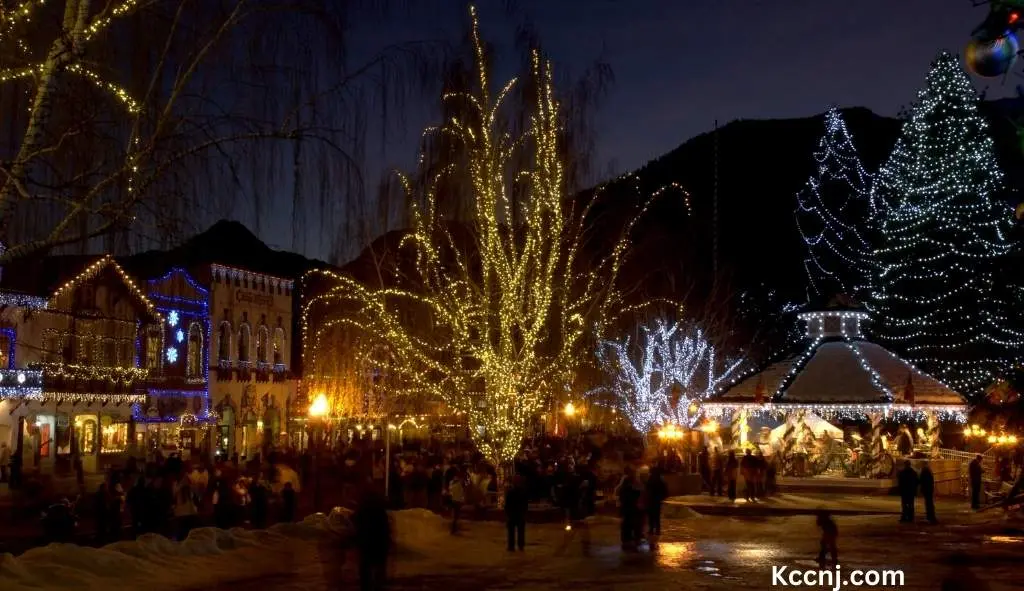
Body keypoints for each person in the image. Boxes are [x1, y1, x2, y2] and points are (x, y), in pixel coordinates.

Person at [353, 485, 391, 591]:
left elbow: (357, 523)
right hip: (380, 543)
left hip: (367, 543)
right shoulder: (380, 509)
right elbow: (385, 526)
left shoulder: (362, 508)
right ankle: (379, 586)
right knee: (379, 569)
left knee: (365, 570)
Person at [615, 466, 640, 549]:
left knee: (626, 524)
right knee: (629, 524)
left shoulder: (624, 488)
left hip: (625, 508)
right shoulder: (630, 488)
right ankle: (628, 539)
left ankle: (626, 539)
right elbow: (635, 496)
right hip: (630, 508)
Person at [504, 474, 528, 552]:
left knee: (514, 531)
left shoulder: (512, 492)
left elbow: (507, 504)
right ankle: (518, 546)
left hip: (515, 513)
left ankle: (514, 546)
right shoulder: (521, 491)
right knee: (517, 531)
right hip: (517, 513)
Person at [646, 467, 668, 536]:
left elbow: (647, 489)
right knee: (657, 516)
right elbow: (665, 490)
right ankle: (657, 530)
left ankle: (651, 529)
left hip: (651, 499)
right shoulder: (660, 480)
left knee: (651, 516)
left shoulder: (650, 479)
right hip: (657, 500)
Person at [448, 468, 466, 534]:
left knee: (454, 515)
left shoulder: (452, 483)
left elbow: (451, 491)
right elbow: (461, 492)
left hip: (454, 500)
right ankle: (454, 529)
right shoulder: (459, 483)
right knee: (456, 516)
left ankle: (453, 528)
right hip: (457, 500)